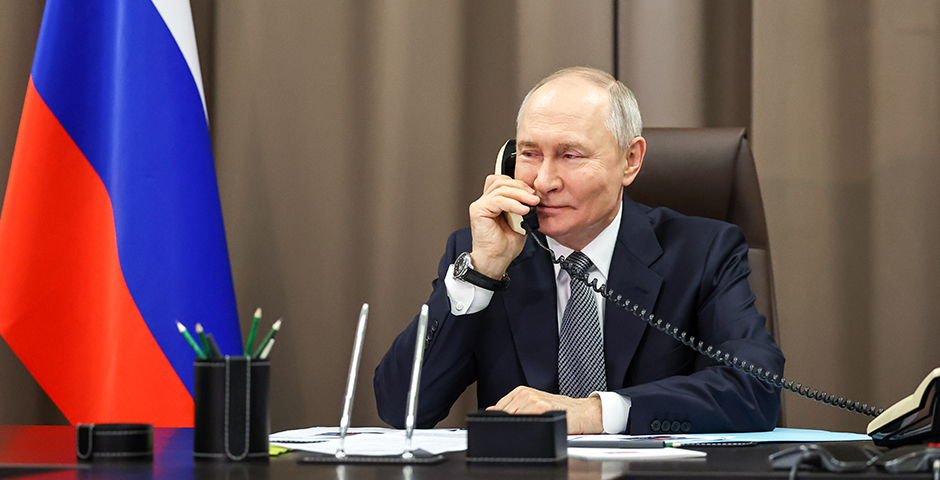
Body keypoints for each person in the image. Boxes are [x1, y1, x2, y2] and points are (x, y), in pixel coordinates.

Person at [374, 67, 784, 434]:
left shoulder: (703, 251)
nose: (544, 181)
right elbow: (400, 408)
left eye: (570, 155)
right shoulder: (481, 253)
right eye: (530, 154)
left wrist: (595, 412)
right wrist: (481, 274)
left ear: (630, 160)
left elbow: (755, 388)